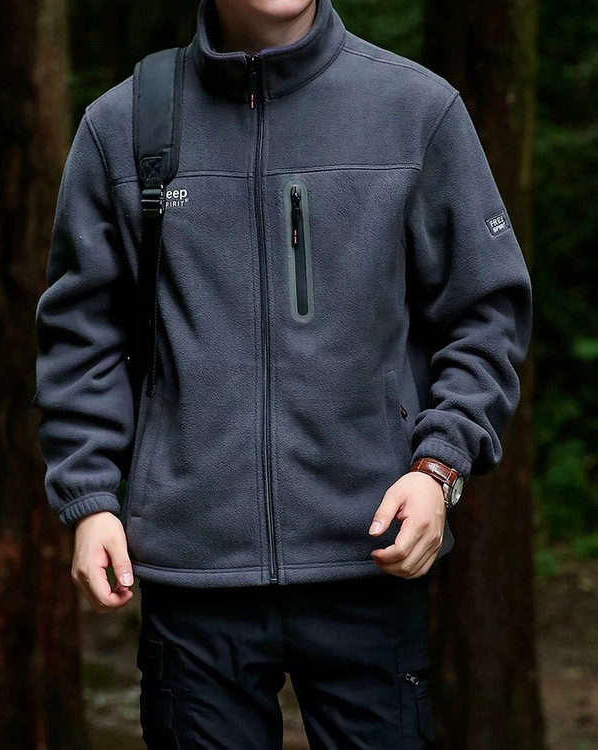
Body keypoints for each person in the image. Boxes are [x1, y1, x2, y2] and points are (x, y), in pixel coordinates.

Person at [34, 0, 532, 747]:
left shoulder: (416, 110)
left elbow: (484, 312)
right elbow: (82, 336)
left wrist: (439, 468)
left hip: (372, 556)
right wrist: (90, 498)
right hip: (193, 577)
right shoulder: (124, 125)